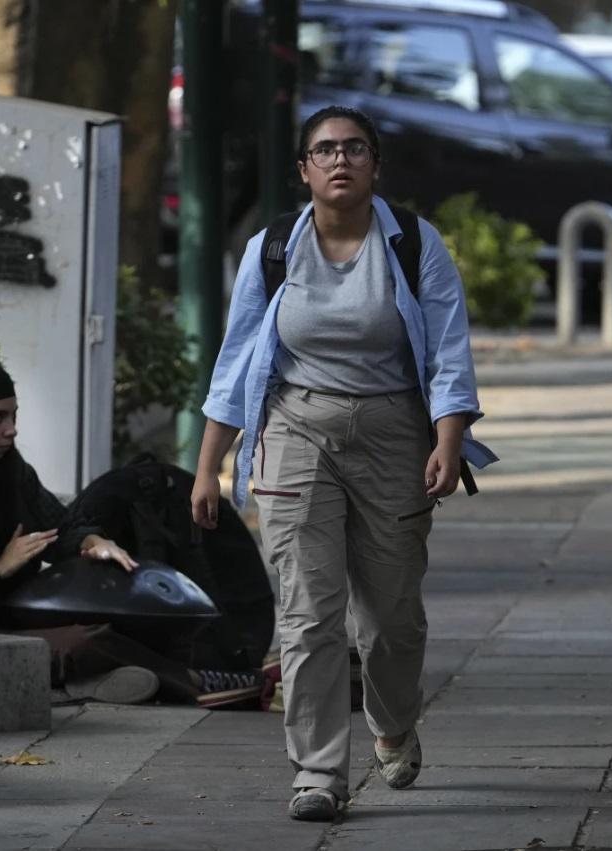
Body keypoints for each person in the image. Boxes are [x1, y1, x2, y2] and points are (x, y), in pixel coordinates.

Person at [190, 105, 494, 821]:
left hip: (394, 431)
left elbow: (449, 352)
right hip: (296, 427)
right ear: (304, 170)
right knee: (307, 612)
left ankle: (390, 719)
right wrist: (209, 466)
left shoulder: (415, 244)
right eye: (324, 151)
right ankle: (318, 771)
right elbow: (236, 362)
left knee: (389, 616)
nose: (339, 161)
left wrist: (447, 440)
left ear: (374, 165)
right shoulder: (271, 251)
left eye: (354, 149)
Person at [0, 357, 264, 708]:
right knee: (84, 642)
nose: (11, 431)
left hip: (15, 618)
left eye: (13, 416)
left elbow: (61, 529)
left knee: (109, 625)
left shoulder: (12, 473)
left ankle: (97, 684)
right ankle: (196, 684)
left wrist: (94, 543)